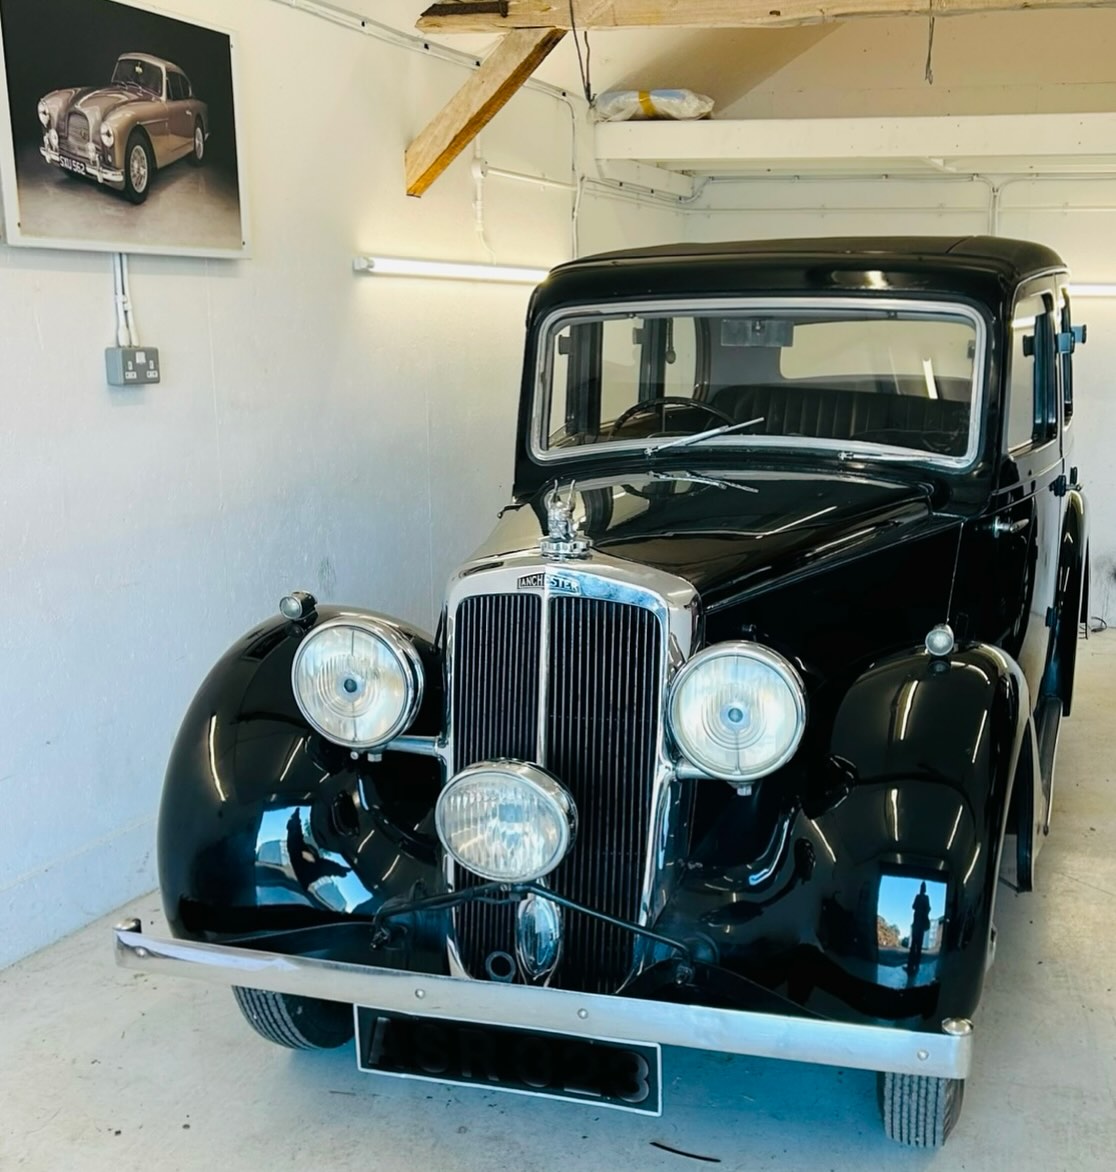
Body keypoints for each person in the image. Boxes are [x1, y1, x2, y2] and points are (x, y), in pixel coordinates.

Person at [906, 882, 932, 974]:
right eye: (921, 887)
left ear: (924, 889)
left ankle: (914, 966)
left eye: (922, 887)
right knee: (915, 945)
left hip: (919, 924)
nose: (921, 888)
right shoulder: (920, 897)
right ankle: (911, 966)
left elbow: (927, 908)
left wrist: (921, 909)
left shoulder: (924, 897)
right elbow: (914, 906)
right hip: (917, 923)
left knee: (916, 945)